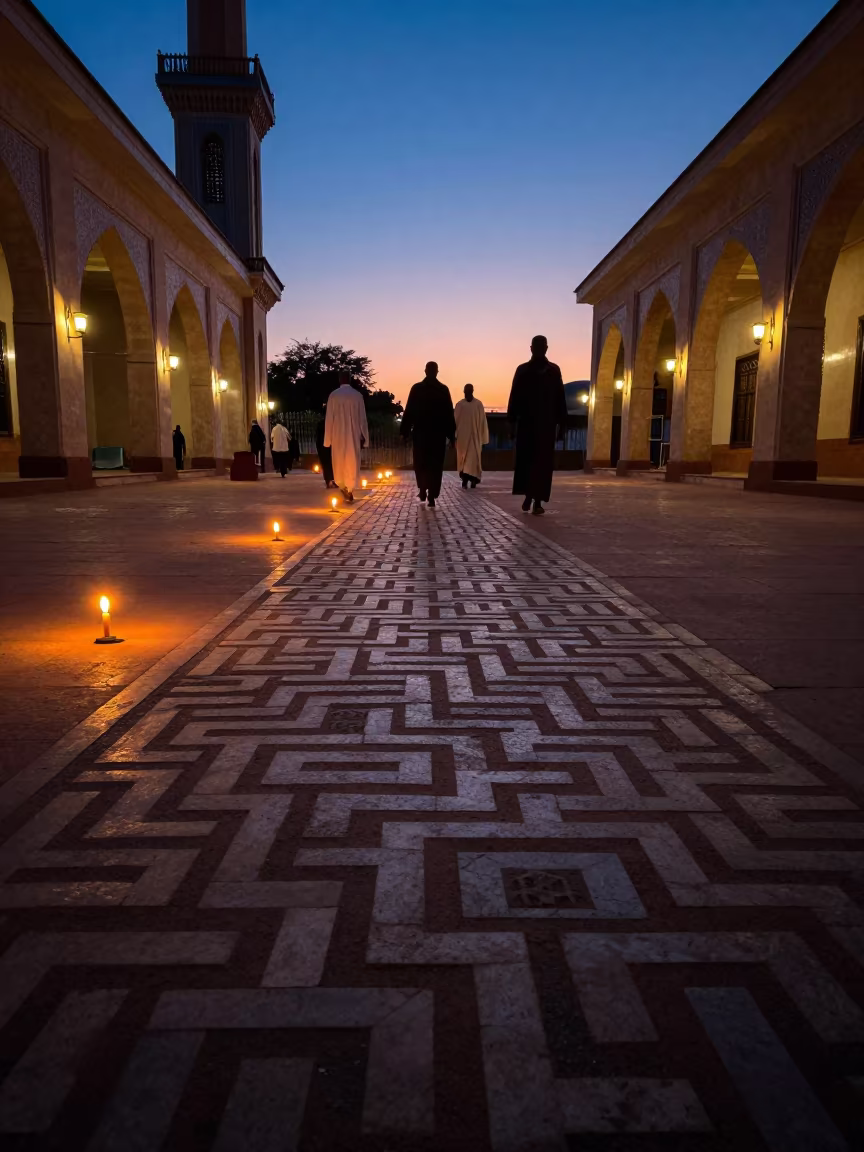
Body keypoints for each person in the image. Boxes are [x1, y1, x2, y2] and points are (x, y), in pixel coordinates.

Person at [507, 335, 567, 515]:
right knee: (527, 462)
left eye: (543, 347)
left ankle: (538, 501)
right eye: (537, 347)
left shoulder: (553, 371)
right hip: (527, 425)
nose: (540, 350)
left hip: (546, 426)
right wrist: (511, 423)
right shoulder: (523, 370)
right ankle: (528, 495)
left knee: (542, 464)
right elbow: (514, 397)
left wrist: (561, 425)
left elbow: (560, 399)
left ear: (546, 348)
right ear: (531, 348)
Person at [401, 361, 455, 508]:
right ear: (437, 372)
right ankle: (431, 494)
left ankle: (424, 489)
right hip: (437, 435)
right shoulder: (443, 390)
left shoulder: (417, 389)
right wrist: (451, 435)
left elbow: (409, 411)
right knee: (435, 466)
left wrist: (404, 432)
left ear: (425, 371)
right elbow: (449, 414)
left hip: (421, 434)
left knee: (421, 463)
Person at [324, 370, 369, 502]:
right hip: (353, 434)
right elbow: (362, 419)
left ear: (339, 379)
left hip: (337, 434)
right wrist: (365, 438)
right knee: (352, 459)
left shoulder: (333, 395)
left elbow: (329, 419)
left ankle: (342, 485)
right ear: (349, 379)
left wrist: (327, 440)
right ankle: (350, 488)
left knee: (339, 460)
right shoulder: (357, 396)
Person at [454, 383, 489, 489]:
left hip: (475, 438)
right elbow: (454, 421)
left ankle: (473, 480)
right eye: (465, 391)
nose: (467, 393)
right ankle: (464, 480)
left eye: (469, 391)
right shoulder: (459, 405)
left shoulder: (478, 404)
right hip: (462, 439)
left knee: (473, 461)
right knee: (463, 461)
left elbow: (483, 421)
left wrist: (483, 438)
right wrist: (453, 436)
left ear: (472, 391)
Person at [315, 409, 336, 487]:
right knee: (331, 463)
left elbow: (317, 437)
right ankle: (333, 480)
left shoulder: (320, 424)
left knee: (325, 464)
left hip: (322, 446)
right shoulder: (332, 423)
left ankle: (328, 480)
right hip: (330, 446)